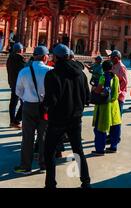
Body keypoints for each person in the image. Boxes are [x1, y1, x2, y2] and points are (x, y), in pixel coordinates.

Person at [43, 44, 91, 188]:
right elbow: (86, 97)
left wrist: (44, 109)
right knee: (78, 150)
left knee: (49, 151)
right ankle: (86, 182)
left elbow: (51, 100)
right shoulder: (80, 74)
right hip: (75, 119)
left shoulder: (53, 74)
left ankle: (50, 184)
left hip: (57, 120)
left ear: (56, 57)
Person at [14, 46, 53, 174]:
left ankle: (25, 166)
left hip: (29, 106)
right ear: (44, 57)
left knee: (27, 138)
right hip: (45, 108)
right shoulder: (50, 71)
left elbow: (18, 91)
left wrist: (27, 97)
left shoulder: (24, 71)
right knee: (44, 136)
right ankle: (44, 165)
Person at [92, 60, 122, 155]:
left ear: (102, 68)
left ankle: (100, 149)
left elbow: (98, 90)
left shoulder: (103, 77)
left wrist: (94, 89)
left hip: (104, 105)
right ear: (112, 67)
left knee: (100, 128)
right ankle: (113, 147)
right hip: (114, 105)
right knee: (114, 126)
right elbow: (118, 90)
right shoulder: (116, 77)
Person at [7, 42, 26, 129]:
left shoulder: (10, 58)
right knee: (24, 103)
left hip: (12, 83)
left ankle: (12, 121)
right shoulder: (20, 59)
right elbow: (25, 71)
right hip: (20, 85)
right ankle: (16, 121)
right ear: (20, 50)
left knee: (13, 103)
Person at [110, 50, 128, 115]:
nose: (110, 59)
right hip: (113, 94)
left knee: (117, 115)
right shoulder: (114, 65)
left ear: (116, 58)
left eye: (111, 58)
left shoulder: (121, 67)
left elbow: (124, 82)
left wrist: (118, 92)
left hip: (119, 96)